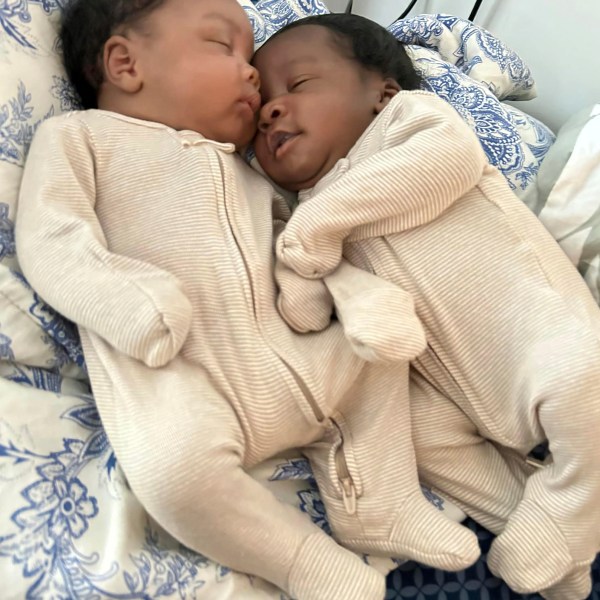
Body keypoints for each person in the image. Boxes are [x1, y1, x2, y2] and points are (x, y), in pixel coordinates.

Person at [14, 2, 484, 599]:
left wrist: (354, 295)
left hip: (297, 351)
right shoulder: (81, 139)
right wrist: (124, 299)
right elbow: (52, 237)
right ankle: (299, 560)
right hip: (184, 370)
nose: (252, 71)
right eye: (223, 46)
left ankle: (379, 499)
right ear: (125, 63)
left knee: (382, 353)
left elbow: (302, 245)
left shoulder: (251, 172)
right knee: (173, 470)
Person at [253, 13, 600, 600]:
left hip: (531, 327)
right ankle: (533, 516)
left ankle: (577, 503)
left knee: (584, 382)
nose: (271, 109)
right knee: (418, 437)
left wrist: (317, 227)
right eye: (260, 104)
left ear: (381, 90)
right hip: (442, 384)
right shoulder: (304, 204)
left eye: (298, 85)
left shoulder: (414, 124)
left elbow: (446, 165)